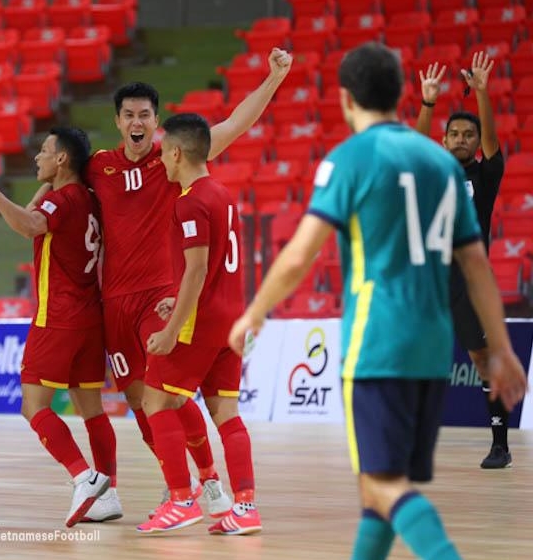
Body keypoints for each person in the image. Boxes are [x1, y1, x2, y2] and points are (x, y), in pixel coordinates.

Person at [228, 42, 527, 560]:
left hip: (379, 342)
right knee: (380, 489)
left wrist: (253, 313)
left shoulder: (351, 158)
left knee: (384, 487)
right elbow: (477, 263)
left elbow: (300, 257)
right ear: (399, 94)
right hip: (433, 347)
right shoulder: (441, 166)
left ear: (345, 98)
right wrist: (501, 347)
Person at [78, 49, 293, 518]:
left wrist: (273, 80)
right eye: (129, 115)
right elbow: (57, 178)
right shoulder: (99, 166)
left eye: (146, 115)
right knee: (138, 399)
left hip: (162, 295)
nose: (138, 122)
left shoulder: (172, 158)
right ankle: (181, 485)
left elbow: (236, 123)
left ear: (157, 122)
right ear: (118, 121)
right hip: (115, 300)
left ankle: (206, 483)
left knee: (166, 395)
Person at [0, 127, 118, 527]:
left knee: (33, 406)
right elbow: (39, 215)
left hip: (59, 318)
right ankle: (109, 491)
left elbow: (31, 225)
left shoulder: (62, 201)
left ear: (62, 159)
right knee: (92, 411)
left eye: (45, 151)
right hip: (90, 317)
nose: (37, 157)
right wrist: (41, 191)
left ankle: (83, 478)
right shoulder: (85, 198)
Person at [134, 113, 260, 536]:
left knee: (157, 403)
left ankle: (181, 501)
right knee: (227, 411)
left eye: (165, 152)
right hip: (231, 318)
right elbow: (212, 269)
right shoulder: (222, 194)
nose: (162, 161)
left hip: (200, 323)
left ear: (176, 152)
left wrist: (172, 329)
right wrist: (178, 299)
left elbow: (198, 267)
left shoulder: (188, 200)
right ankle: (245, 508)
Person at [416, 52, 511, 469]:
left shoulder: (485, 177)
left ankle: (500, 444)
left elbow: (492, 141)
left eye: (467, 135)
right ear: (444, 140)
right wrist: (428, 103)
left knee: (481, 361)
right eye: (453, 133)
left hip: (470, 284)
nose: (460, 139)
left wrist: (484, 94)